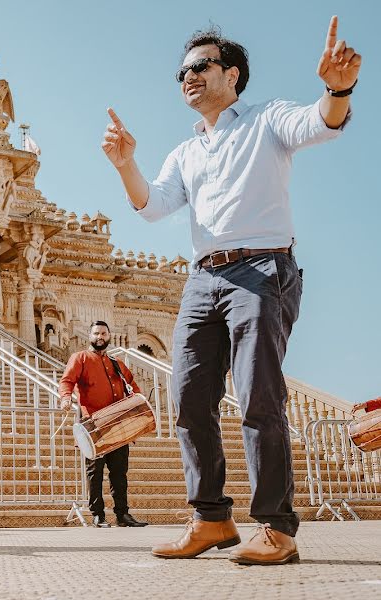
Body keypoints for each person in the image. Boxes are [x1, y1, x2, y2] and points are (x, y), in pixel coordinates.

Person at [101, 17, 359, 565]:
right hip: (204, 278)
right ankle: (212, 518)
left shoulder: (267, 120)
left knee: (258, 396)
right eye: (182, 72)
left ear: (232, 75)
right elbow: (150, 206)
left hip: (262, 269)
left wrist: (337, 89)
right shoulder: (186, 151)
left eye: (200, 66)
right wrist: (126, 164)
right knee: (190, 399)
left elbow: (322, 122)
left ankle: (276, 528)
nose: (188, 77)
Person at [59, 321, 148, 528]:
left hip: (118, 425)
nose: (100, 336)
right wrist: (65, 398)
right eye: (97, 333)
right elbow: (67, 381)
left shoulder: (117, 362)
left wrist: (139, 403)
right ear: (90, 336)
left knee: (119, 472)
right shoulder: (80, 358)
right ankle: (98, 515)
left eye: (104, 333)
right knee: (95, 472)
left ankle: (123, 515)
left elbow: (133, 387)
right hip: (92, 426)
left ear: (109, 336)